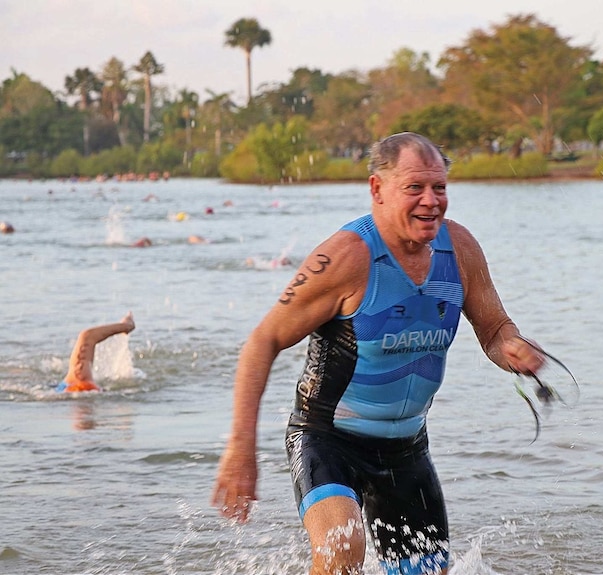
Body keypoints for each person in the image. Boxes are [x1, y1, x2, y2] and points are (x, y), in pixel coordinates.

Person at [211, 132, 547, 575]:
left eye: (439, 187)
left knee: (425, 572)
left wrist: (513, 347)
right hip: (328, 438)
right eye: (414, 188)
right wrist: (240, 448)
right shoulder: (346, 258)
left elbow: (494, 329)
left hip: (406, 449)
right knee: (341, 547)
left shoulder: (460, 249)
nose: (430, 201)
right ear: (377, 189)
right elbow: (262, 341)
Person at [56, 312, 135, 393]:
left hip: (71, 388)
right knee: (86, 337)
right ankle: (126, 325)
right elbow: (88, 336)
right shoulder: (80, 378)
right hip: (78, 386)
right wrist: (126, 326)